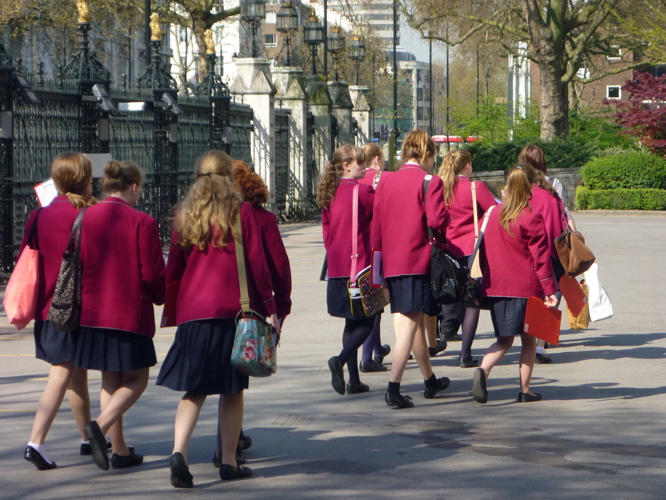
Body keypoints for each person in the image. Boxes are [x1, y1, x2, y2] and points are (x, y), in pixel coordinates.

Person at [157, 150, 279, 488]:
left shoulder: (185, 214)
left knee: (194, 389)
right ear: (228, 176)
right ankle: (228, 461)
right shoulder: (241, 212)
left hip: (194, 313)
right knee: (232, 389)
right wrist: (270, 306)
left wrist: (173, 307)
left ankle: (179, 452)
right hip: (233, 311)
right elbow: (257, 265)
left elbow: (173, 269)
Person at [76, 160, 165, 471]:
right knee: (138, 378)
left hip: (93, 310)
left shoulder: (85, 216)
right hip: (128, 311)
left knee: (110, 379)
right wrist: (161, 296)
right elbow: (152, 272)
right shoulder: (143, 221)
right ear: (134, 187)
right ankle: (99, 427)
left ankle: (121, 450)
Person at [210, 160, 293, 467]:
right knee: (235, 378)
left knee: (225, 377)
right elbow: (277, 266)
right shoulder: (263, 218)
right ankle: (228, 447)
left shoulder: (208, 216)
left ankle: (232, 438)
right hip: (249, 307)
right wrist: (280, 307)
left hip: (213, 306)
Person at [21, 152, 97, 470]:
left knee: (75, 373)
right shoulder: (89, 214)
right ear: (84, 180)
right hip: (74, 306)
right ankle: (35, 442)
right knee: (61, 374)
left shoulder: (39, 215)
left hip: (47, 307)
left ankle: (87, 438)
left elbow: (28, 254)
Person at [371, 129, 451, 408]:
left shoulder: (386, 181)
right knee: (409, 324)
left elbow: (376, 227)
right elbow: (437, 220)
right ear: (427, 154)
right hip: (418, 260)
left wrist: (378, 269)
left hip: (392, 262)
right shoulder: (430, 181)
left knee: (411, 322)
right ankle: (393, 387)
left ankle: (429, 379)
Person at [471, 164, 558, 405]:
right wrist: (550, 290)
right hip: (526, 287)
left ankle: (483, 369)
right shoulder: (531, 216)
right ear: (529, 186)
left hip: (496, 286)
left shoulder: (493, 214)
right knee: (529, 340)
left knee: (504, 340)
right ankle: (525, 389)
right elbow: (541, 259)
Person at [318, 144, 376, 395]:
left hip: (337, 267)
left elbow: (326, 233)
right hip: (360, 267)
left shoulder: (329, 194)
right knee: (368, 321)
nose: (364, 166)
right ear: (346, 166)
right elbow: (379, 219)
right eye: (360, 162)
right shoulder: (362, 191)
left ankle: (353, 380)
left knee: (350, 323)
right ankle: (340, 360)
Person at [437, 149, 497, 368]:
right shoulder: (475, 187)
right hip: (472, 249)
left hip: (448, 250)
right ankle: (465, 354)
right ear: (467, 166)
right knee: (471, 302)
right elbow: (494, 212)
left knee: (451, 295)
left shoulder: (442, 188)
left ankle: (443, 335)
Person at [518, 145, 568, 364]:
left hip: (525, 251)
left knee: (531, 297)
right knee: (552, 296)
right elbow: (561, 222)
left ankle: (529, 340)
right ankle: (540, 346)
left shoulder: (519, 192)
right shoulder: (551, 191)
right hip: (550, 251)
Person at [357, 143, 391, 373]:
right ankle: (367, 355)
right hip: (375, 246)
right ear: (377, 159)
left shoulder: (356, 181)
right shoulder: (380, 179)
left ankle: (377, 348)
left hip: (357, 247)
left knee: (371, 300)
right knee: (374, 302)